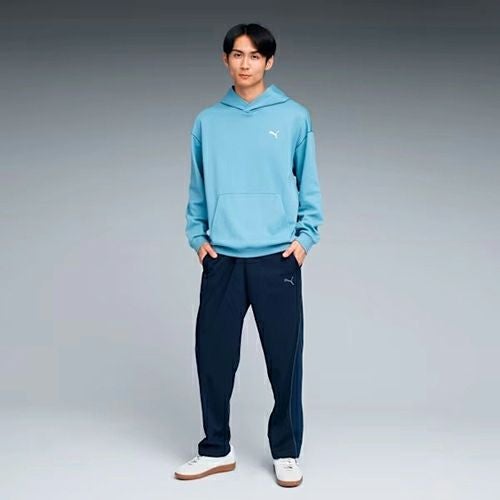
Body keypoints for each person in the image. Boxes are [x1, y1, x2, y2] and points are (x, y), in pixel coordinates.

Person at [175, 22, 324, 488]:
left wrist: (304, 240)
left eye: (255, 56)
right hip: (222, 259)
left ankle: (286, 451)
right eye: (237, 55)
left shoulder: (294, 117)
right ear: (225, 60)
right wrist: (197, 238)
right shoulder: (207, 121)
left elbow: (309, 186)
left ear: (269, 61)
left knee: (285, 359)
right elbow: (198, 188)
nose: (245, 64)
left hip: (277, 259)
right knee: (213, 357)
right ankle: (216, 448)